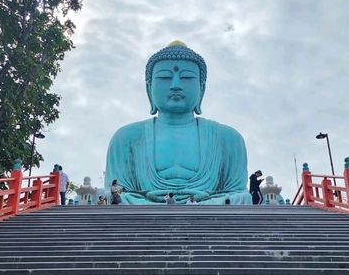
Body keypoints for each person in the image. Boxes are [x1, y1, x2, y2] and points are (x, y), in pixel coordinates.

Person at [105, 41, 252, 204]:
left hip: (207, 209)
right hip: (144, 211)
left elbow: (237, 193)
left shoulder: (227, 138)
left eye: (187, 77)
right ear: (149, 88)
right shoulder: (126, 137)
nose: (176, 85)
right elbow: (117, 193)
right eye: (165, 78)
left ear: (202, 89)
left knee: (244, 198)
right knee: (113, 198)